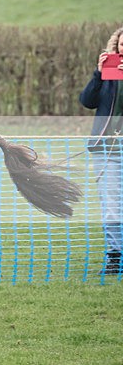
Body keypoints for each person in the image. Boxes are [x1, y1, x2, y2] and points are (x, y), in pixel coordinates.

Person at [79, 26, 123, 275]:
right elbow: (87, 101)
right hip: (107, 150)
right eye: (121, 45)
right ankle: (115, 256)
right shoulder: (107, 73)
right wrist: (98, 74)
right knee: (112, 205)